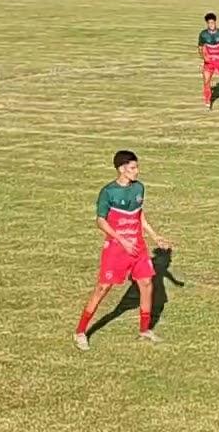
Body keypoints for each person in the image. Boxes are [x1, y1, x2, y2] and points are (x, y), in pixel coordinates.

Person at [74, 150, 172, 351]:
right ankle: (81, 332)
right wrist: (122, 241)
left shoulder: (139, 188)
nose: (137, 171)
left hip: (138, 246)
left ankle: (144, 330)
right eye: (133, 168)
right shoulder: (108, 192)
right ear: (121, 169)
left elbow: (139, 214)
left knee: (146, 283)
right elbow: (101, 221)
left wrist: (155, 236)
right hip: (117, 249)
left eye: (137, 167)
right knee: (103, 288)